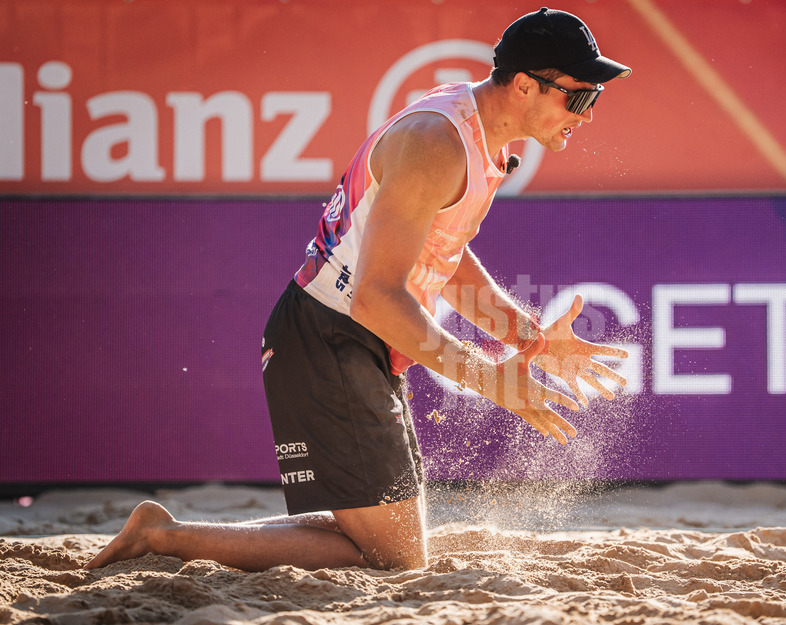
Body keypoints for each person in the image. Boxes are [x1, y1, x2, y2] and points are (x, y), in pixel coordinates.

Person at [86, 7, 631, 573]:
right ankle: (163, 536)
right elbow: (376, 297)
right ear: (523, 85)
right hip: (331, 334)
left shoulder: (476, 135)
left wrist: (528, 337)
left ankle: (164, 531)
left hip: (352, 337)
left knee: (392, 544)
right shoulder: (436, 143)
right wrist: (484, 376)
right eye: (579, 97)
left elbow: (441, 256)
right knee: (396, 559)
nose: (587, 114)